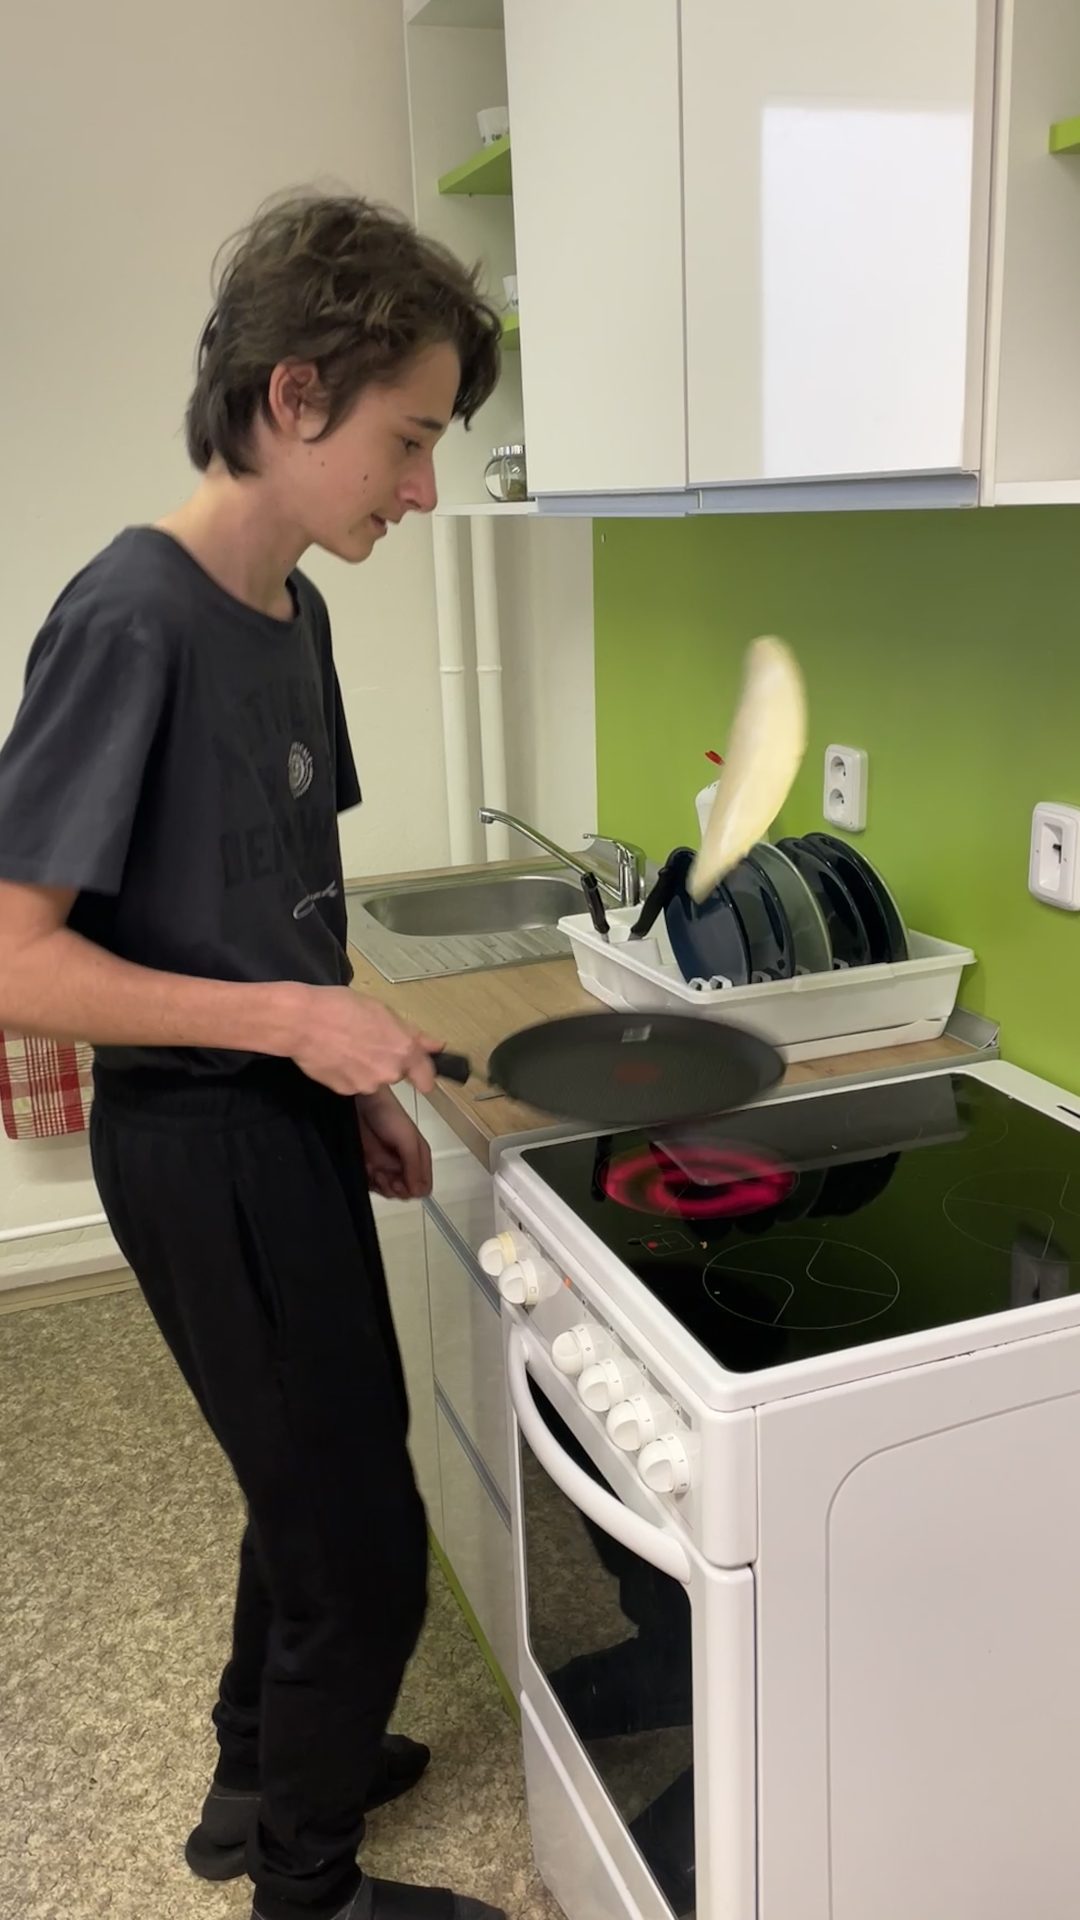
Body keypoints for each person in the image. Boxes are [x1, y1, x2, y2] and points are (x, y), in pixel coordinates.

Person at [0, 192, 505, 1920]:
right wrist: (293, 1028)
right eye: (409, 439)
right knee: (365, 1552)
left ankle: (250, 1776)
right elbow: (14, 961)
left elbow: (277, 898)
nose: (422, 490)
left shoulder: (296, 610)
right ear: (296, 397)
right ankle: (308, 1887)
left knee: (311, 1479)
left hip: (282, 1120)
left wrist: (345, 1073)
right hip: (193, 1144)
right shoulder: (129, 615)